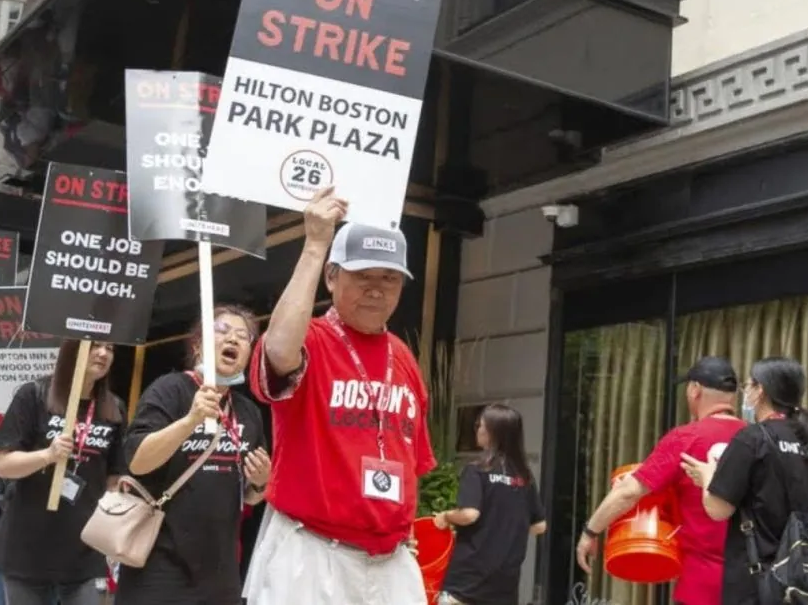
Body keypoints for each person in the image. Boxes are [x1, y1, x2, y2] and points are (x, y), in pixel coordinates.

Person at [243, 188, 437, 605]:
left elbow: (412, 464)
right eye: (362, 274)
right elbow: (277, 352)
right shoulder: (309, 338)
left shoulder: (403, 358)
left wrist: (402, 529)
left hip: (390, 561)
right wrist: (315, 245)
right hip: (311, 552)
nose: (376, 288)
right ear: (332, 276)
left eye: (389, 277)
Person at [117, 305, 272, 604]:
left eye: (244, 337)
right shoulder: (169, 390)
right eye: (223, 332)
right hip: (159, 566)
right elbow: (137, 461)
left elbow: (250, 496)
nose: (234, 340)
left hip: (220, 572)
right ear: (198, 344)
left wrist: (261, 482)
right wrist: (190, 421)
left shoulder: (248, 411)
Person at [576, 356, 746, 605]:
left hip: (700, 586)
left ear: (694, 389)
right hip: (751, 583)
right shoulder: (756, 439)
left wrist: (590, 531)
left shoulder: (686, 438)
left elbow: (629, 492)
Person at [681, 357, 808, 605]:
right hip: (806, 583)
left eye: (748, 386)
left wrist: (708, 475)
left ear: (759, 390)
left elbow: (718, 509)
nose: (745, 393)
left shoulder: (752, 439)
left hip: (757, 582)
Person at [0, 340, 125, 605]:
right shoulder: (34, 394)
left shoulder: (114, 408)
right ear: (72, 350)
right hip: (28, 543)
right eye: (94, 345)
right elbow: (3, 465)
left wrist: (115, 519)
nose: (103, 353)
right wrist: (47, 455)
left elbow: (114, 476)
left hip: (86, 547)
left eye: (109, 348)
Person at [433, 405, 545, 605]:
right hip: (504, 587)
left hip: (466, 583)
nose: (477, 429)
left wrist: (446, 516)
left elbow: (469, 514)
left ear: (493, 432)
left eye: (480, 425)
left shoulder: (477, 470)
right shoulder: (524, 477)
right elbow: (539, 526)